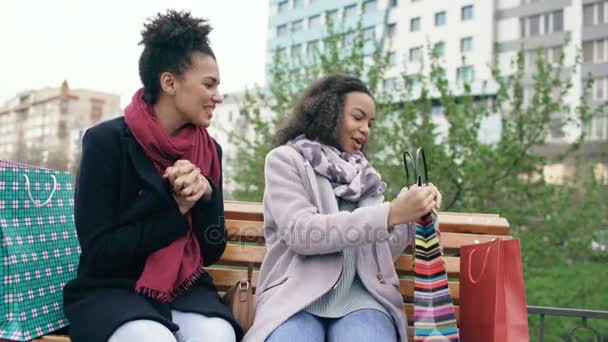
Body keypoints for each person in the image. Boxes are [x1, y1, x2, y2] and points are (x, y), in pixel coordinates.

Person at [62, 10, 241, 342]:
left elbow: (211, 250)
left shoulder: (209, 150)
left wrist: (205, 197)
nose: (217, 95)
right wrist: (177, 209)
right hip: (112, 289)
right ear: (169, 82)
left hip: (183, 288)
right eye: (209, 84)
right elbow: (99, 251)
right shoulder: (106, 142)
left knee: (218, 336)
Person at [243, 75, 442, 342]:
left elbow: (378, 253)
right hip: (296, 297)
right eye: (357, 117)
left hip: (363, 298)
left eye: (370, 123)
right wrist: (390, 214)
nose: (365, 129)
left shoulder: (366, 176)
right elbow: (302, 234)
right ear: (330, 112)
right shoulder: (285, 160)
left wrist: (413, 215)